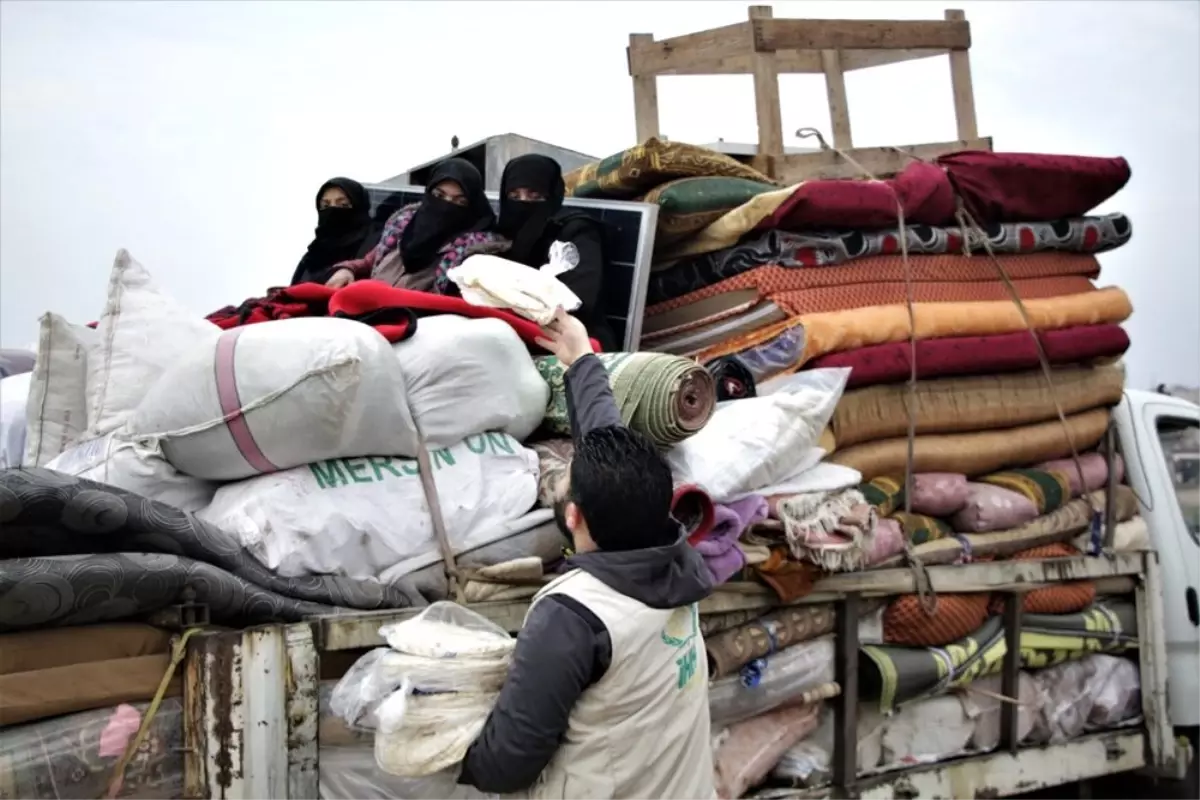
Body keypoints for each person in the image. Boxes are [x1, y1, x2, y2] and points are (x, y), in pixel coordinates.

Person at [457, 308, 715, 799]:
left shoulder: (573, 615)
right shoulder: (679, 567)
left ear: (572, 518)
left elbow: (506, 766)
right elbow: (608, 450)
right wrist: (580, 359)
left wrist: (436, 736)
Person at [325, 158, 506, 292]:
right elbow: (369, 261)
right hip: (368, 321)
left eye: (459, 201)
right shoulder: (401, 227)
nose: (446, 205)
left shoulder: (474, 252)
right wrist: (347, 270)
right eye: (439, 195)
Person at [497, 154, 617, 350]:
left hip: (574, 339)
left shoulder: (576, 231)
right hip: (509, 333)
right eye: (514, 197)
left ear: (552, 195)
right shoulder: (498, 236)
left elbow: (580, 301)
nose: (523, 203)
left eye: (535, 196)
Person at [289, 178, 382, 286]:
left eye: (343, 205)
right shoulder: (311, 257)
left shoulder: (378, 242)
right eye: (325, 206)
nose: (333, 211)